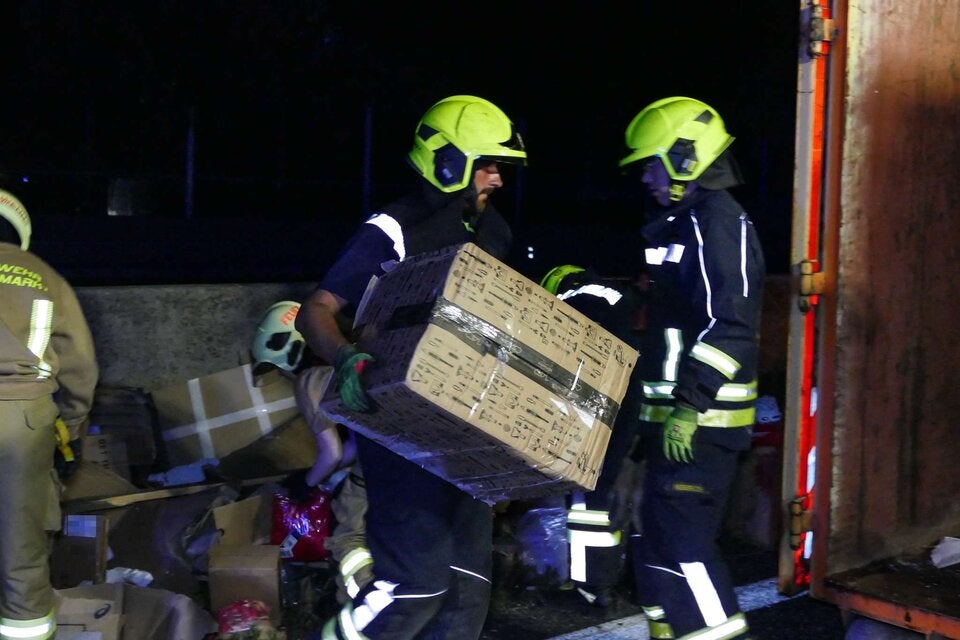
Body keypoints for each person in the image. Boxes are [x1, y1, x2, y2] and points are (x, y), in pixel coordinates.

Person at [295, 95, 527, 640]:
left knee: (468, 588)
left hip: (466, 432)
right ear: (447, 162)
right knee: (416, 584)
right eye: (486, 165)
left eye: (501, 168)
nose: (496, 179)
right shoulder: (394, 227)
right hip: (400, 429)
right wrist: (346, 358)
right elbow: (317, 311)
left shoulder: (494, 235)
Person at [618, 97, 765, 640]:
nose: (645, 178)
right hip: (675, 422)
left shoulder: (717, 222)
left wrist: (690, 404)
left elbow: (731, 324)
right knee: (655, 541)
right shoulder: (683, 224)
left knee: (684, 546)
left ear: (684, 158)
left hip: (702, 426)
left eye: (652, 164)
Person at [0, 188, 99, 640]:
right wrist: (72, 430)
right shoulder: (45, 276)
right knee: (21, 548)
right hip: (24, 420)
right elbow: (79, 365)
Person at [249, 300, 373, 605]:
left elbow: (331, 452)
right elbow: (355, 444)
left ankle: (366, 611)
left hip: (375, 475)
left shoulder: (309, 380)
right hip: (419, 462)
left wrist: (306, 482)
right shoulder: (360, 350)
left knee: (348, 542)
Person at [539, 265, 645, 610]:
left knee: (588, 499)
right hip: (611, 406)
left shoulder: (591, 295)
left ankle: (593, 587)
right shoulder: (604, 299)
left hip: (606, 408)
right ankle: (593, 583)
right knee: (588, 500)